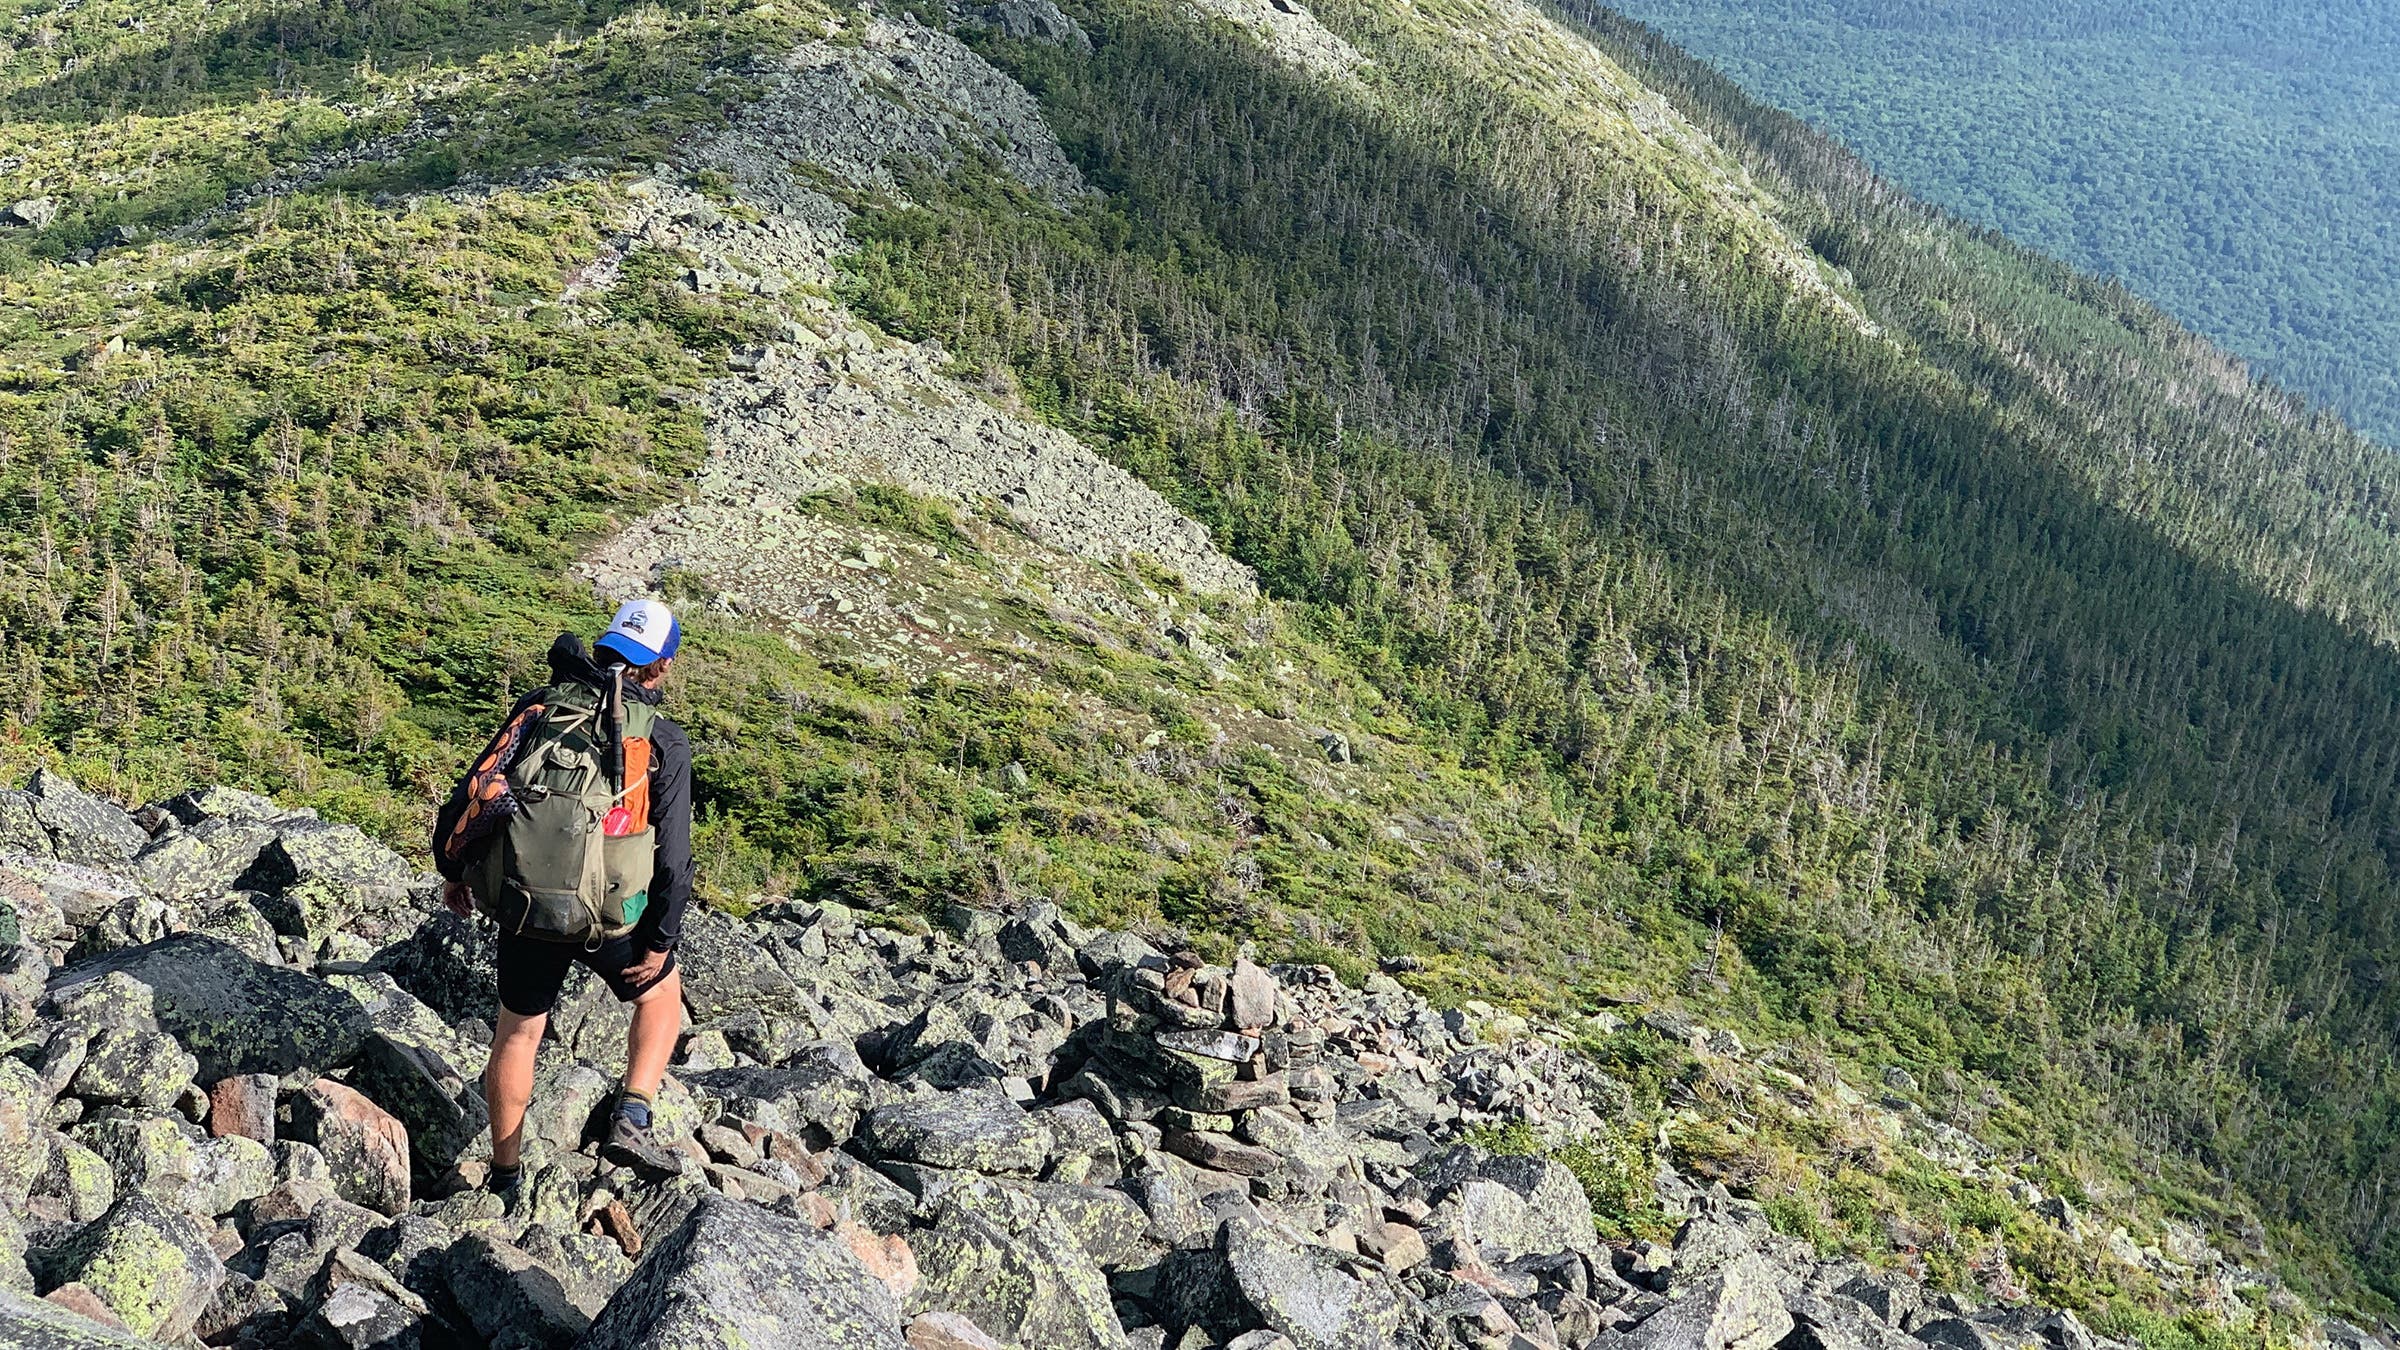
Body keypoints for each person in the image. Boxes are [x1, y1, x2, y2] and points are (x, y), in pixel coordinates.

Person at [431, 599, 695, 1202]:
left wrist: (454, 866)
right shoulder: (662, 742)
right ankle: (632, 1117)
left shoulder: (538, 707)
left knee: (518, 1032)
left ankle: (504, 1176)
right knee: (660, 995)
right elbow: (674, 863)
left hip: (525, 905)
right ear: (662, 666)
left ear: (604, 648)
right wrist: (659, 942)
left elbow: (478, 787)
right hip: (610, 919)